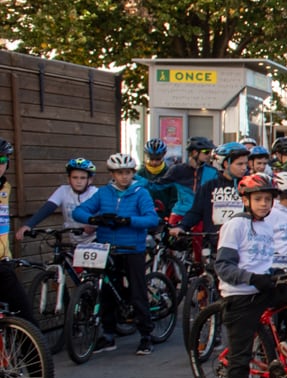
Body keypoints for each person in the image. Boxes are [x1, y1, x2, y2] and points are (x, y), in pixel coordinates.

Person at [211, 172, 284, 378]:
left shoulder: (265, 226)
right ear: (246, 200)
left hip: (262, 289)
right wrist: (252, 278)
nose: (265, 204)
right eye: (259, 199)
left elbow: (261, 261)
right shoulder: (236, 225)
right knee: (239, 359)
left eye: (268, 199)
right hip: (240, 295)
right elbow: (223, 266)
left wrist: (275, 273)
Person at [71, 153, 161, 356]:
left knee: (138, 293)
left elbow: (151, 219)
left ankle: (146, 335)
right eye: (120, 173)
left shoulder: (141, 193)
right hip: (108, 249)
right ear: (112, 174)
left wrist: (128, 221)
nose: (124, 177)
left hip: (132, 249)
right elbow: (79, 211)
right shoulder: (103, 193)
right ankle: (109, 335)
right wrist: (94, 219)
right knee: (107, 293)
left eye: (128, 173)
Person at [173, 142, 251, 236]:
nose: (244, 168)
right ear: (226, 164)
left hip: (242, 241)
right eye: (240, 164)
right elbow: (196, 212)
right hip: (213, 242)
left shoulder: (249, 186)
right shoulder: (209, 187)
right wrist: (182, 226)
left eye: (246, 164)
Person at [17, 157, 98, 243]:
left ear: (89, 180)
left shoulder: (95, 193)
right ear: (68, 179)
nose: (78, 181)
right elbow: (48, 208)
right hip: (74, 240)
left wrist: (95, 227)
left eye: (82, 178)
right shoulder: (63, 190)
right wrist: (28, 225)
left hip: (94, 239)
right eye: (75, 177)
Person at [164, 136, 217, 219]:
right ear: (195, 152)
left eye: (210, 152)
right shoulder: (177, 169)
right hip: (180, 214)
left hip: (202, 215)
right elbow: (158, 185)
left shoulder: (213, 172)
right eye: (206, 152)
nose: (209, 155)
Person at [135, 139, 180, 218]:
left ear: (163, 155)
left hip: (164, 216)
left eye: (158, 159)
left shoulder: (170, 173)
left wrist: (170, 215)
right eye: (151, 159)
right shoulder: (139, 174)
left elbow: (174, 198)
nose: (154, 162)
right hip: (143, 215)